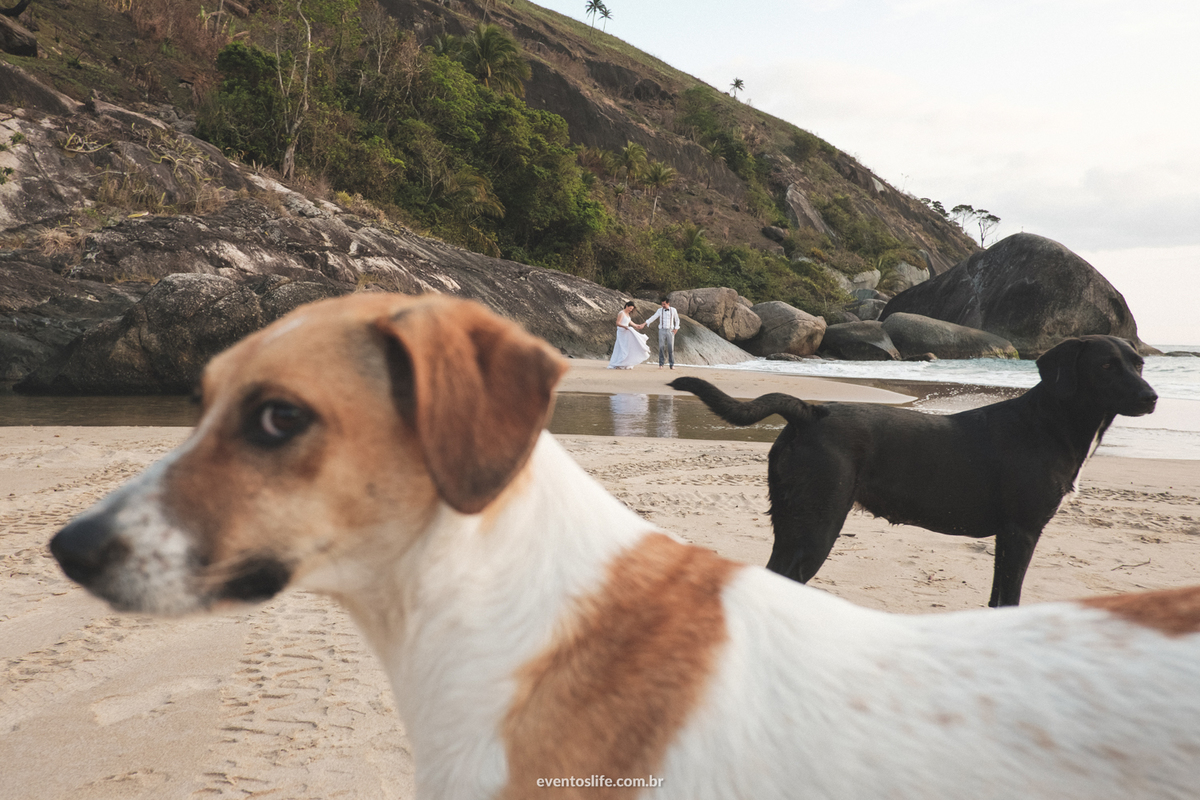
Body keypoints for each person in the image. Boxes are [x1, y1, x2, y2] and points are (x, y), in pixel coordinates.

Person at [607, 301, 650, 369]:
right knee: (621, 347)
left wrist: (636, 325)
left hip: (626, 332)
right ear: (626, 306)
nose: (630, 310)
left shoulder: (627, 314)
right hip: (621, 332)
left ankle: (624, 363)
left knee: (627, 347)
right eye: (630, 308)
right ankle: (618, 363)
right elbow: (617, 323)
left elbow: (629, 321)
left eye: (631, 309)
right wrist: (625, 327)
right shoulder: (621, 313)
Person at [644, 297, 680, 369]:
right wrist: (646, 322)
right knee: (661, 347)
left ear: (668, 303)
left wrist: (676, 328)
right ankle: (661, 364)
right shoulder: (659, 310)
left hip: (670, 330)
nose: (662, 305)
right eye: (662, 304)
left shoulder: (673, 310)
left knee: (670, 347)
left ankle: (672, 364)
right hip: (662, 330)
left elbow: (677, 320)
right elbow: (653, 317)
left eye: (664, 304)